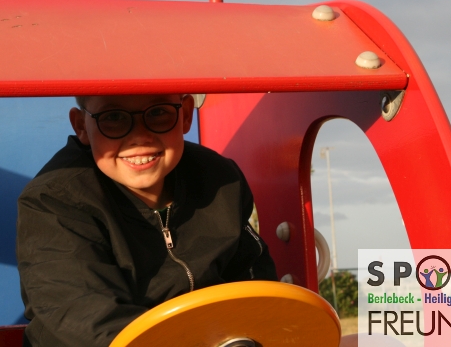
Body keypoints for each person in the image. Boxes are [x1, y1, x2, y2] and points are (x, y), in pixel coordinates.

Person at [16, 94, 277, 347]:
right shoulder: (54, 199)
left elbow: (253, 278)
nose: (139, 137)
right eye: (113, 117)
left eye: (158, 112)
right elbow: (83, 314)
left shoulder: (219, 180)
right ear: (81, 125)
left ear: (186, 114)